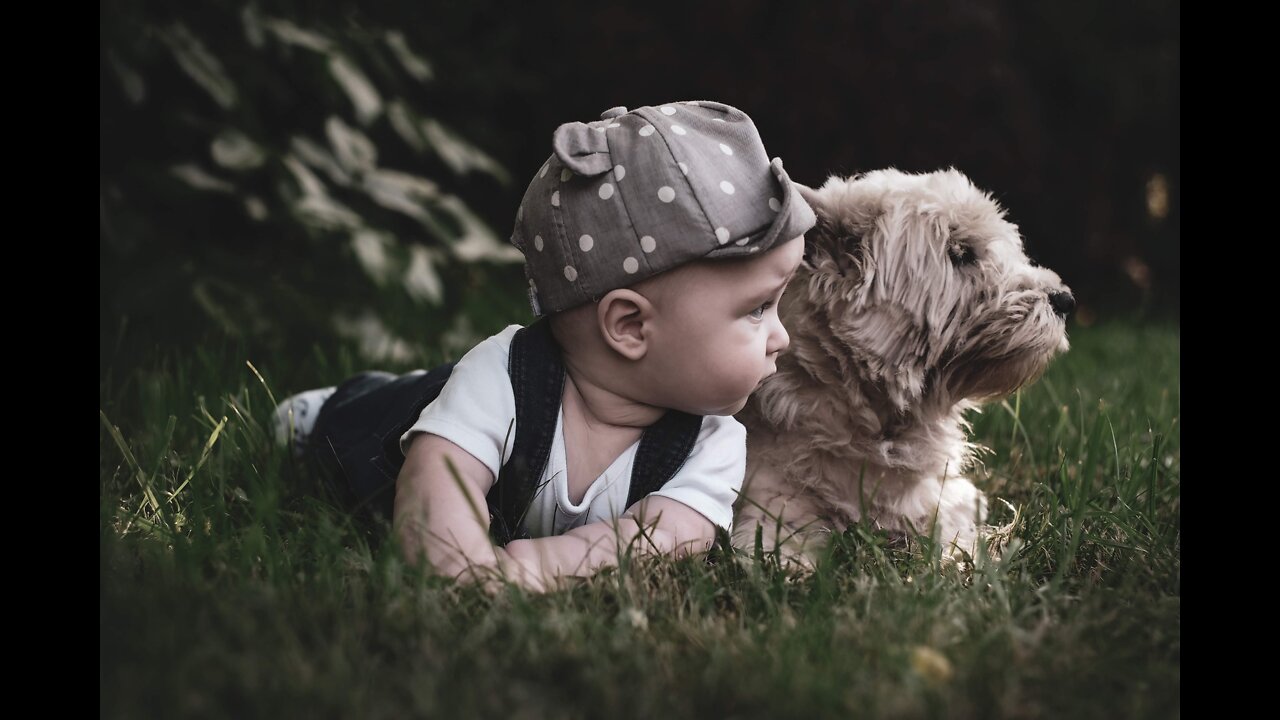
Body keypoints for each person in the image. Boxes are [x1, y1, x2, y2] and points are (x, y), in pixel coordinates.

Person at [272, 100, 815, 592]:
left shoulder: (712, 445)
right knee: (379, 420)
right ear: (629, 326)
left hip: (488, 455)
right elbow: (439, 479)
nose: (781, 336)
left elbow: (662, 539)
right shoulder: (504, 374)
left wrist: (532, 567)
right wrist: (454, 564)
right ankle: (330, 406)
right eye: (756, 309)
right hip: (387, 428)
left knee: (444, 399)